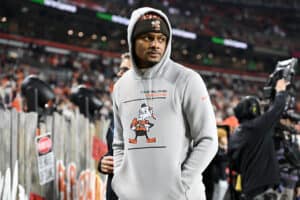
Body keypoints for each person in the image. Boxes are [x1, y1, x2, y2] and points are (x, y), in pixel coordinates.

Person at [111, 7, 218, 200]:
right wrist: (120, 181)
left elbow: (208, 139)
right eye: (148, 38)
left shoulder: (187, 80)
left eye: (161, 39)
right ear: (132, 40)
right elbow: (119, 143)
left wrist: (181, 185)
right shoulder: (121, 87)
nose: (155, 44)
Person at [229, 79, 289, 200]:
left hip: (248, 187)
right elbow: (277, 109)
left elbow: (234, 165)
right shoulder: (256, 127)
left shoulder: (237, 133)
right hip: (262, 189)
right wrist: (280, 91)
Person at [98, 52, 133, 200]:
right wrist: (103, 163)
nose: (119, 73)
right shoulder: (120, 108)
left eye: (125, 70)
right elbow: (114, 151)